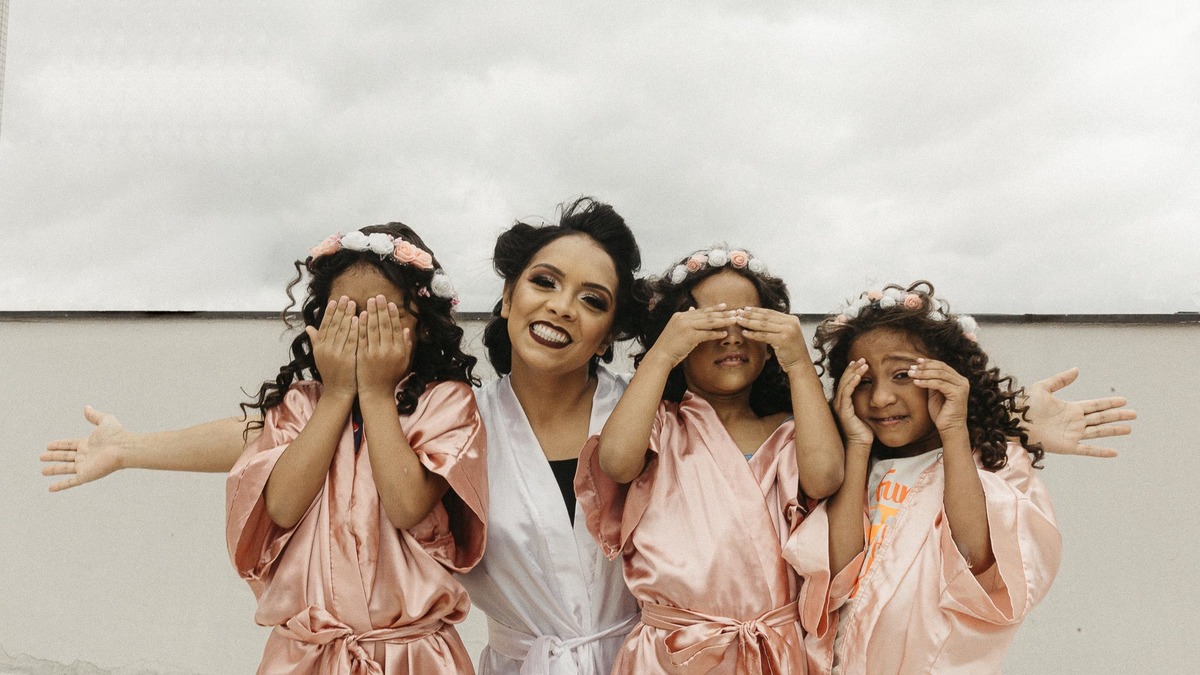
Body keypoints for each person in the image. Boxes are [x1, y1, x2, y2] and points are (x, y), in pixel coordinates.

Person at [225, 224, 488, 672]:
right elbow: (282, 506)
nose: (364, 331)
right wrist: (337, 394)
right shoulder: (302, 404)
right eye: (346, 315)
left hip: (414, 656)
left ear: (423, 327)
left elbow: (406, 505)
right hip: (308, 656)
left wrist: (378, 393)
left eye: (384, 316)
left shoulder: (445, 402)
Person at [576, 246, 844, 673]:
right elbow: (615, 462)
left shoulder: (790, 431)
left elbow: (825, 477)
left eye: (747, 322)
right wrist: (662, 355)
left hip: (771, 650)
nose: (731, 337)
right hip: (670, 654)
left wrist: (798, 362)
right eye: (712, 323)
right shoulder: (662, 426)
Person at [788, 282, 1061, 674]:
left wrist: (953, 431)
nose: (880, 398)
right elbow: (837, 577)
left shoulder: (991, 464)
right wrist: (857, 445)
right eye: (864, 380)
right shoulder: (853, 469)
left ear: (946, 377)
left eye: (902, 374)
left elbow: (975, 561)